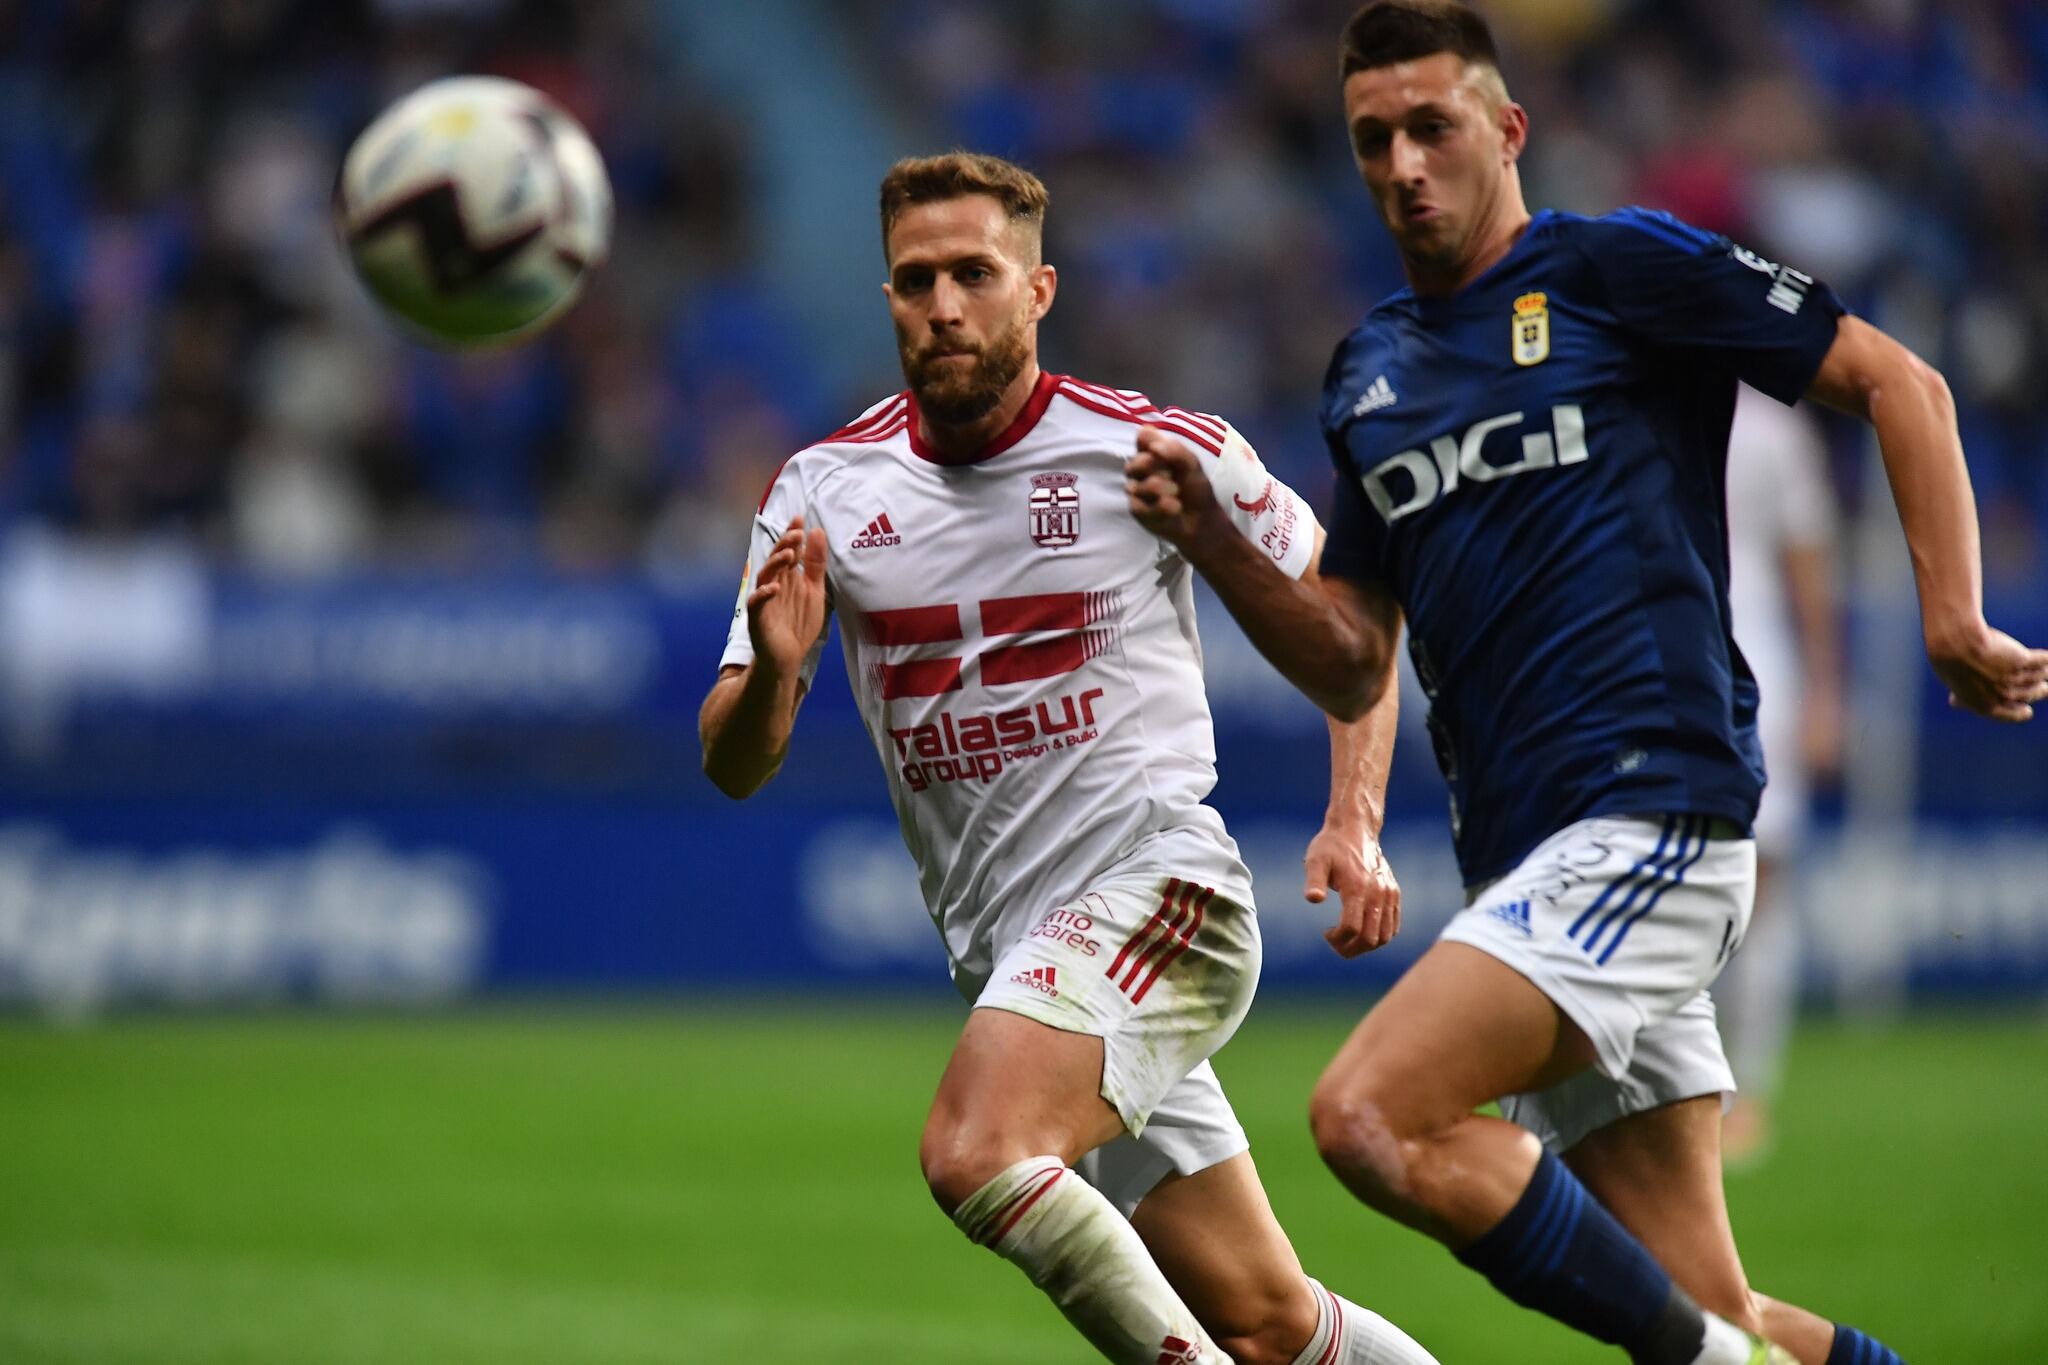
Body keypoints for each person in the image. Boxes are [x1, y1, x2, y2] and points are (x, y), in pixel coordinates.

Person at [1122, 5, 2048, 1364]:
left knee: (1371, 1117)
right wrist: (1213, 546)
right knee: (1714, 1303)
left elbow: (1900, 385)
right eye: (1372, 138)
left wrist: (1952, 613)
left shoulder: (1615, 270)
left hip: (1652, 814)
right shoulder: (1370, 373)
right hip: (1528, 864)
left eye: (1431, 128)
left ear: (1507, 130)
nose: (1401, 165)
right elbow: (1353, 650)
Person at [700, 151, 1436, 1365]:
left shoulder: (1149, 450)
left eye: (973, 275)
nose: (942, 305)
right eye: (914, 279)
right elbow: (735, 763)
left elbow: (1353, 624)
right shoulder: (821, 493)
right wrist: (778, 669)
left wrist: (1351, 820)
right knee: (1267, 1323)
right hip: (1025, 969)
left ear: (1037, 290)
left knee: (974, 1151)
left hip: (1161, 902)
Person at [1717, 386, 1846, 1166]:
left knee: (1760, 885)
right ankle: (1686, 1095)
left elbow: (1808, 560)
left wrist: (1827, 689)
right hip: (1650, 671)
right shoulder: (1614, 391)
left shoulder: (1766, 425)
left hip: (1758, 669)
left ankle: (1750, 1093)